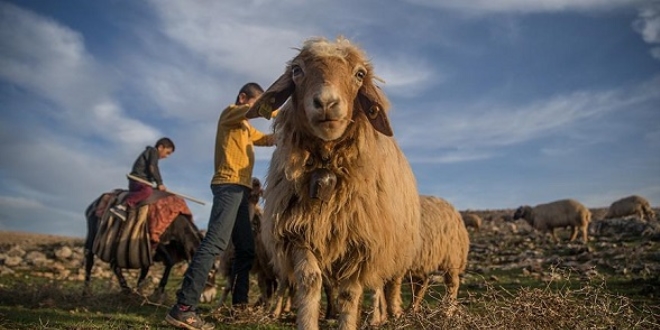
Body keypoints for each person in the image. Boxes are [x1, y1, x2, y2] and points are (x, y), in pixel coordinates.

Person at [166, 83, 276, 330]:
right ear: (242, 98)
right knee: (214, 244)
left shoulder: (246, 128)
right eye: (255, 102)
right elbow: (255, 111)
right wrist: (278, 108)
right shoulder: (230, 113)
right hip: (228, 186)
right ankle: (183, 308)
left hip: (242, 191)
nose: (258, 107)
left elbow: (268, 139)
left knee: (246, 249)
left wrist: (292, 127)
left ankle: (238, 310)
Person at [109, 137, 175, 221]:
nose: (167, 156)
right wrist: (159, 183)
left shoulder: (151, 154)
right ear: (160, 147)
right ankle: (123, 206)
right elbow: (153, 167)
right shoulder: (153, 152)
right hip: (138, 181)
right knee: (147, 191)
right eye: (167, 152)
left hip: (144, 182)